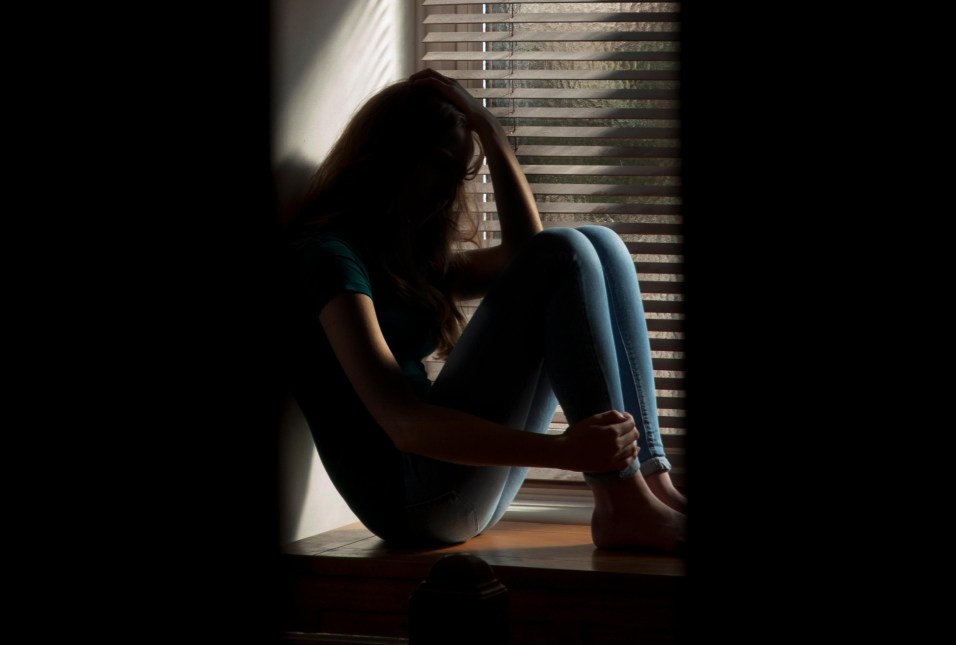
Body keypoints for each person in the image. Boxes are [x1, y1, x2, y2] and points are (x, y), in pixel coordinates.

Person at [283, 69, 685, 551]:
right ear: (394, 158)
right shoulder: (327, 257)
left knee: (602, 242)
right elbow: (404, 425)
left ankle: (651, 482)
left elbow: (522, 250)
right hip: (416, 502)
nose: (447, 192)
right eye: (440, 168)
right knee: (564, 252)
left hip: (456, 489)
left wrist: (491, 133)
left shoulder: (394, 257)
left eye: (459, 175)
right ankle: (622, 503)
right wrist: (564, 452)